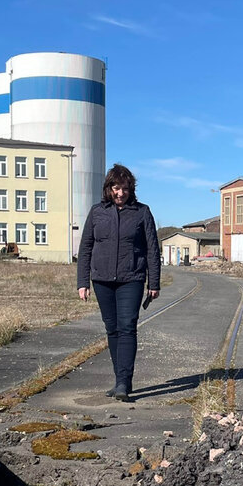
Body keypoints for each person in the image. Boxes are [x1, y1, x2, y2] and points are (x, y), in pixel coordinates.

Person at [77, 164, 161, 402]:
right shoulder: (96, 212)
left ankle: (123, 381)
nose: (120, 193)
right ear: (109, 188)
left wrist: (153, 282)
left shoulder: (142, 212)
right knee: (111, 328)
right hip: (101, 279)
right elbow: (85, 248)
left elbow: (152, 250)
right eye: (116, 188)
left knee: (127, 326)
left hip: (131, 278)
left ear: (130, 189)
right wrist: (83, 282)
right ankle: (120, 380)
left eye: (125, 188)